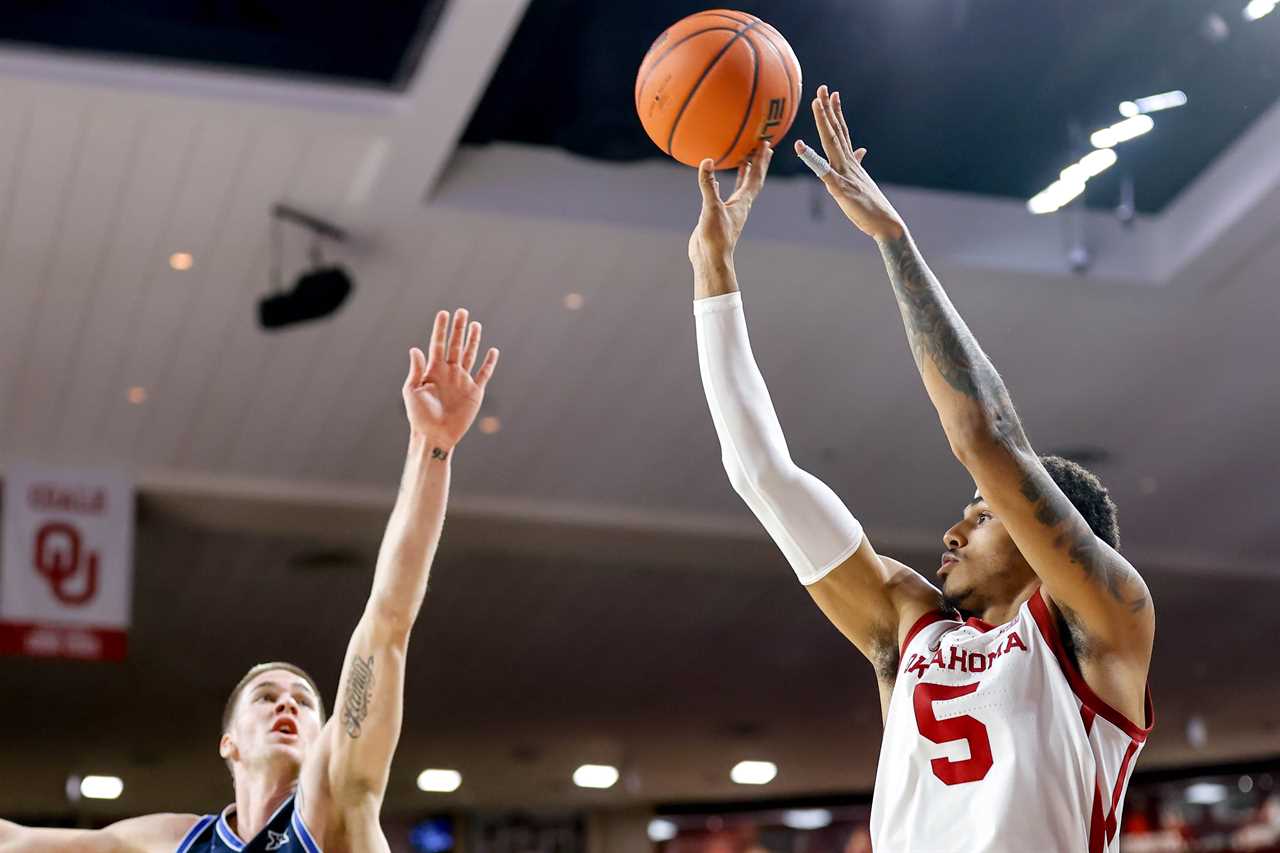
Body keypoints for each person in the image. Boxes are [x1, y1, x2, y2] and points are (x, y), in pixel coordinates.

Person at [688, 86, 1154, 852]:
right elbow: (761, 474)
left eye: (983, 514)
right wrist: (712, 273)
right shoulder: (910, 622)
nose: (955, 528)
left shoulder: (1106, 625)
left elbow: (985, 435)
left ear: (1050, 538)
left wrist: (892, 239)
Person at [0, 309, 499, 853]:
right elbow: (20, 842)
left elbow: (389, 617)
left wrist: (432, 447)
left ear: (325, 736)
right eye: (266, 697)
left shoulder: (337, 806)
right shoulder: (174, 841)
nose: (288, 706)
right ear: (229, 743)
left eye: (305, 702)